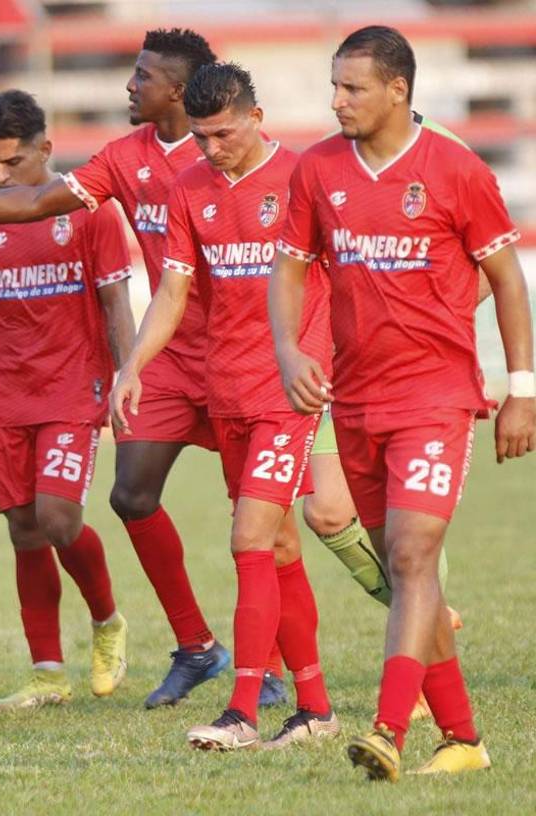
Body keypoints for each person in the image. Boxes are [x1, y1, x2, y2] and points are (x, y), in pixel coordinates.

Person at [0, 29, 263, 710]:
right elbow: (6, 247)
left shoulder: (235, 157)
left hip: (239, 357)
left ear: (180, 88)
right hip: (148, 363)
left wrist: (118, 370)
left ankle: (308, 649)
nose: (129, 86)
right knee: (119, 499)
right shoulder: (120, 160)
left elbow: (117, 297)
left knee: (272, 524)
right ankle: (179, 650)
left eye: (143, 77)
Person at [270, 25, 535, 779]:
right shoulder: (319, 170)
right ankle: (464, 741)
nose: (337, 101)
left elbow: (509, 281)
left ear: (398, 90)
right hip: (354, 401)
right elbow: (288, 271)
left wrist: (521, 391)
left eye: (352, 88)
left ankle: (388, 729)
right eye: (334, 86)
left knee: (414, 555)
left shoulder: (455, 169)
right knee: (404, 563)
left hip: (437, 398)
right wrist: (292, 351)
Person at [114, 63, 337, 751]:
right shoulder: (189, 189)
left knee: (247, 539)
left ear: (256, 116)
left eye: (224, 135)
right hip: (227, 387)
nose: (212, 150)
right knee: (278, 545)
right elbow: (175, 292)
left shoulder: (304, 179)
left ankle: (242, 710)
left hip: (288, 389)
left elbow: (352, 272)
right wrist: (135, 364)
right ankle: (316, 708)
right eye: (203, 138)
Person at [0, 90, 135, 712]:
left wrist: (127, 375)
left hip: (75, 389)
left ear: (47, 151)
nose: (0, 177)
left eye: (13, 164)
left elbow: (115, 305)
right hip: (8, 395)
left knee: (58, 518)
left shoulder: (89, 214)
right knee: (24, 531)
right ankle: (48, 673)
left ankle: (107, 621)